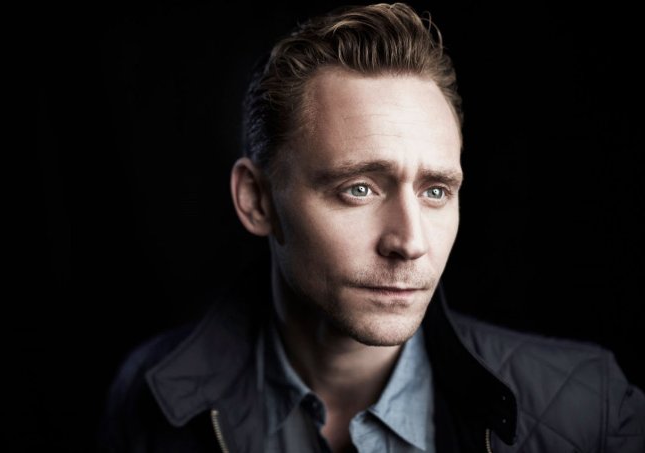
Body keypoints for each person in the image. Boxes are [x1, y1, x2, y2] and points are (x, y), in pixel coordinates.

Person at [98, 3, 645, 452]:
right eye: (359, 189)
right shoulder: (148, 398)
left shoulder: (592, 409)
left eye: (435, 191)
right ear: (257, 200)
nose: (410, 242)